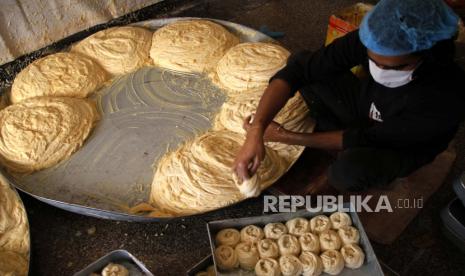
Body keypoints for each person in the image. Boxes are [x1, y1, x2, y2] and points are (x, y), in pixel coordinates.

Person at [233, 0, 465, 192]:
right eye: (372, 61)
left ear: (424, 56)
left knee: (347, 172)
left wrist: (286, 136)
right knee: (302, 61)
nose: (379, 69)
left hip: (400, 145)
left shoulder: (444, 97)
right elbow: (302, 69)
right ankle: (333, 138)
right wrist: (257, 130)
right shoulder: (377, 39)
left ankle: (359, 164)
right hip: (368, 106)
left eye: (392, 67)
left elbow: (369, 138)